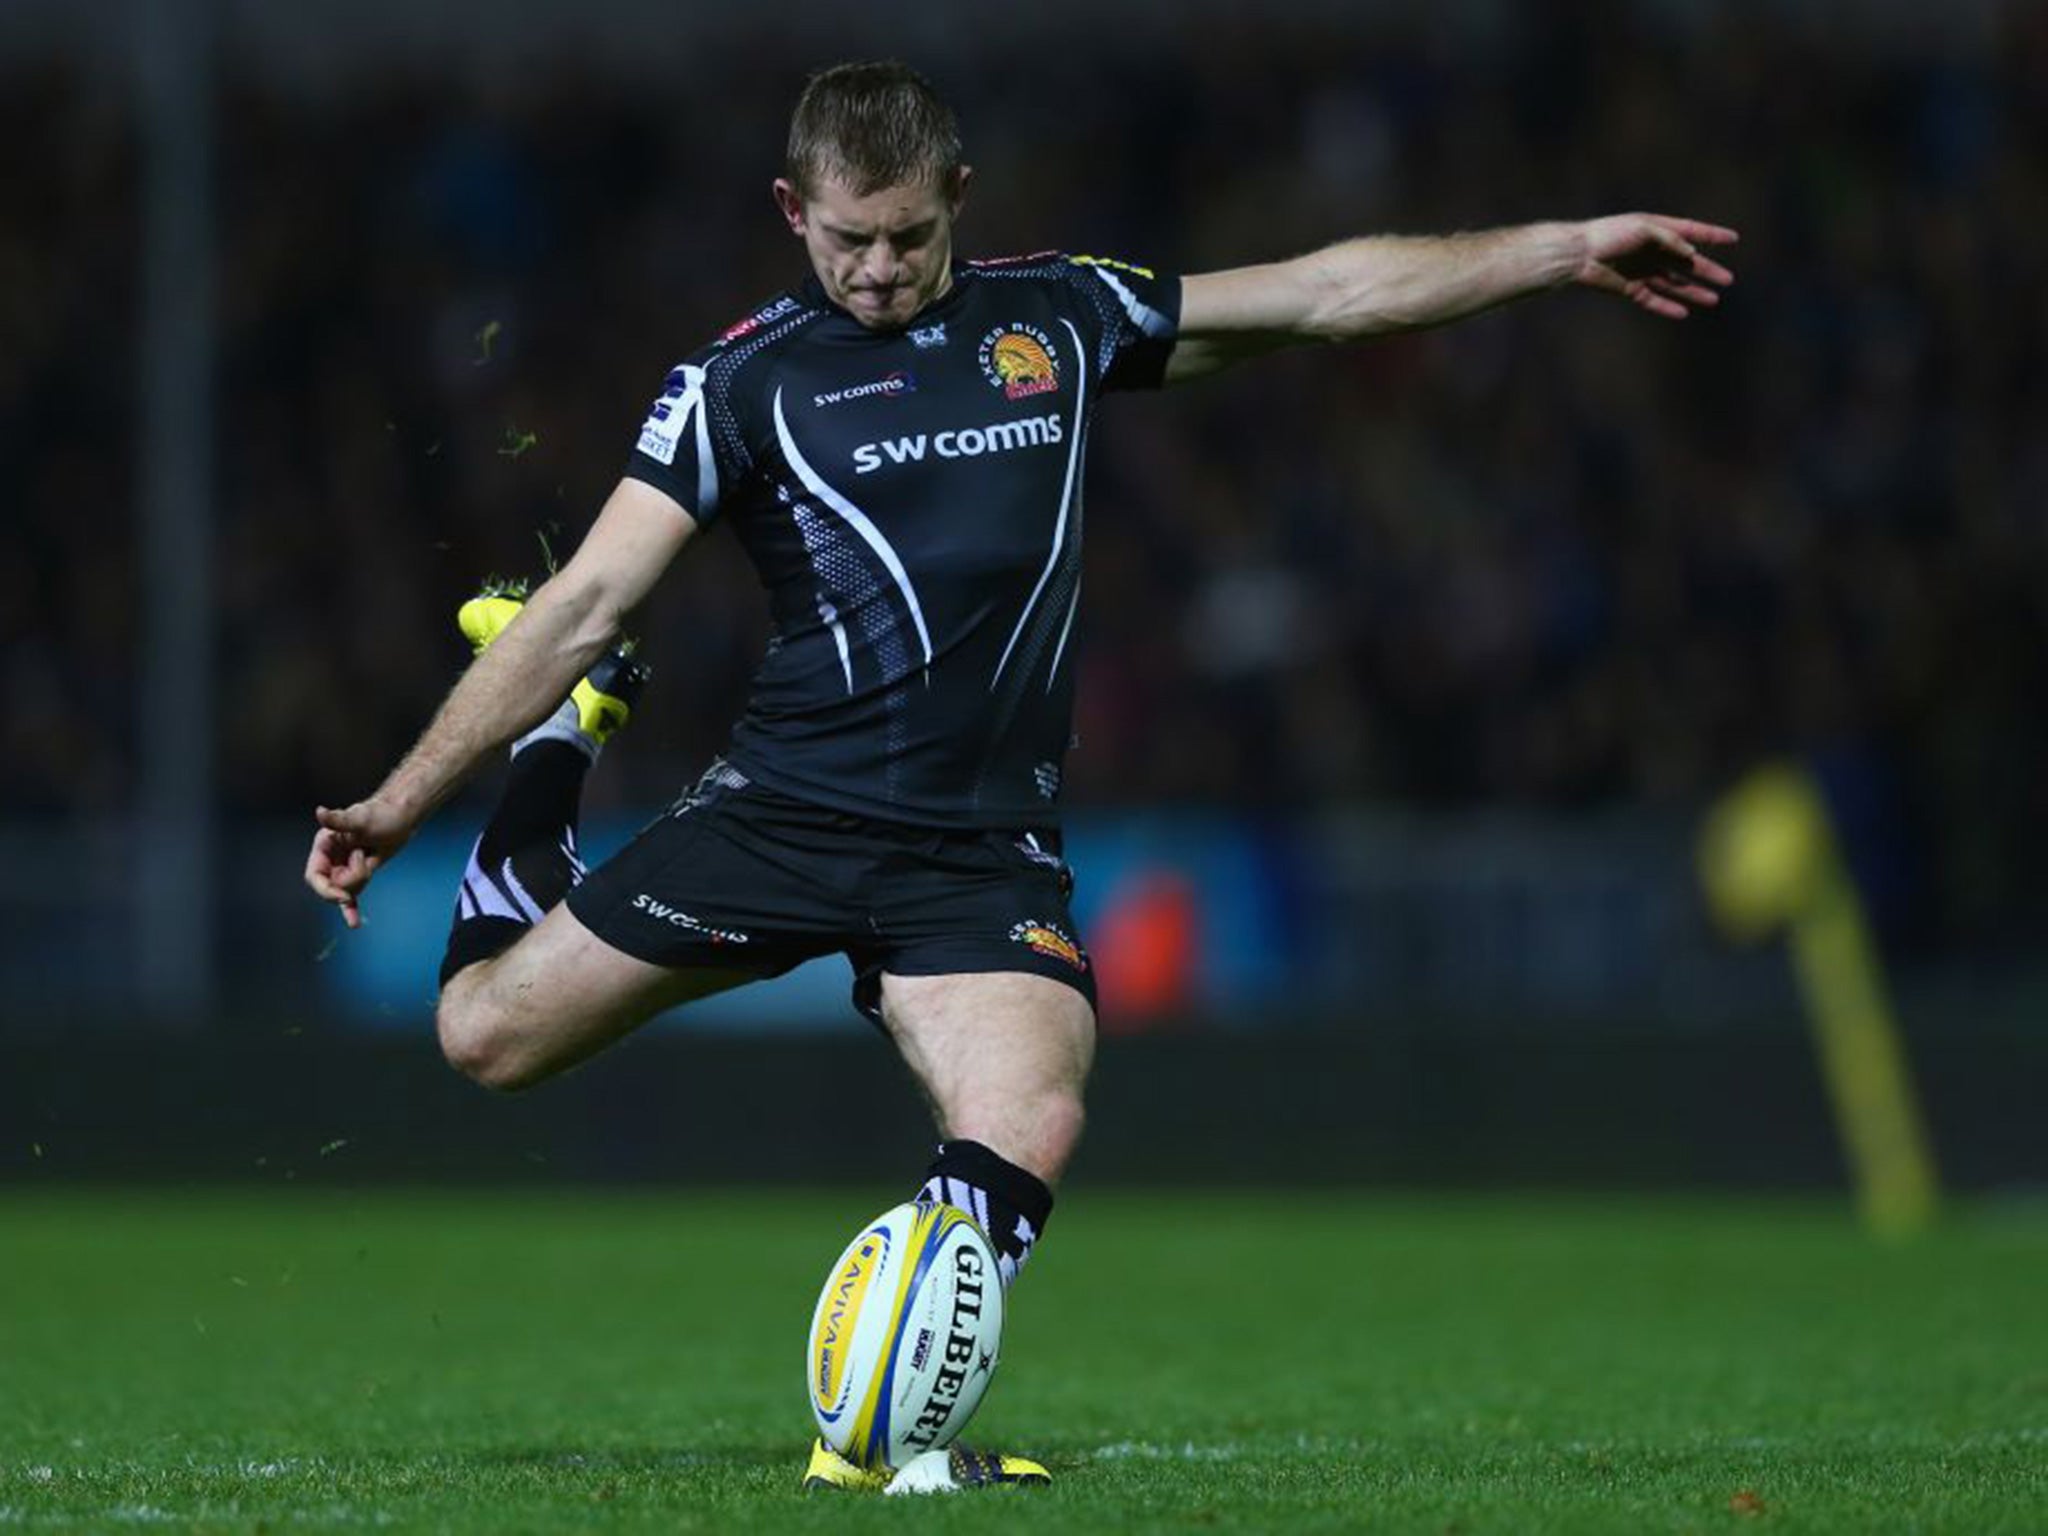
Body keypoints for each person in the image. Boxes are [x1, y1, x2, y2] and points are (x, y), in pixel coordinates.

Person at [303, 59, 1737, 1492]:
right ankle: (571, 744)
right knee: (482, 1040)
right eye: (846, 237)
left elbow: (1320, 295)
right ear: (792, 209)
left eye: (910, 237)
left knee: (1031, 1119)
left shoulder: (1058, 310)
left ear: (961, 202)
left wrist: (1561, 251)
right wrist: (401, 796)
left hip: (976, 856)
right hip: (782, 818)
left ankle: (894, 1444)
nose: (876, 270)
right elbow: (581, 602)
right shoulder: (737, 384)